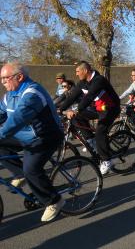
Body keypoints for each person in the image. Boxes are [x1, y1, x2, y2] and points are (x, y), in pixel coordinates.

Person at [0, 62, 65, 222]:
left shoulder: (32, 94)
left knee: (32, 170)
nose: (2, 82)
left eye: (5, 78)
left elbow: (16, 120)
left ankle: (54, 201)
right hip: (24, 136)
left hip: (45, 136)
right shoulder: (9, 95)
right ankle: (19, 172)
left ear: (19, 77)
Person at [59, 61, 120, 175]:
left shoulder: (99, 80)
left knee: (100, 132)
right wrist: (59, 109)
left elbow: (89, 96)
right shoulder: (82, 82)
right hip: (98, 109)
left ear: (85, 70)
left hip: (110, 109)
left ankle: (107, 160)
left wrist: (77, 109)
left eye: (78, 71)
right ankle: (91, 141)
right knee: (76, 118)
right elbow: (72, 97)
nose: (76, 74)